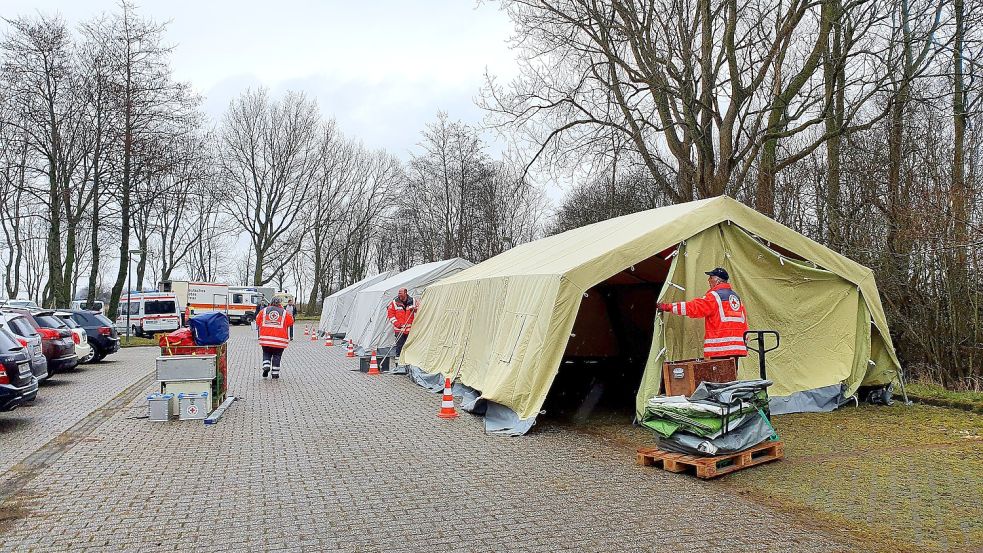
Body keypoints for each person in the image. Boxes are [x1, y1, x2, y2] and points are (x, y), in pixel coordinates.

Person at [658, 267, 749, 361]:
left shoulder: (714, 296)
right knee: (732, 373)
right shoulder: (736, 297)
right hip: (736, 347)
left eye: (711, 277)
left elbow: (694, 308)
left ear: (717, 280)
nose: (708, 280)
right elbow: (744, 320)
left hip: (721, 348)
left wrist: (667, 307)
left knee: (719, 375)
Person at [255, 297, 294, 379]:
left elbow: (258, 321)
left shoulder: (264, 311)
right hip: (279, 340)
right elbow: (291, 322)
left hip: (266, 339)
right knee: (277, 355)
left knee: (266, 353)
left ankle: (266, 365)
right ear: (280, 303)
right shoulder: (284, 312)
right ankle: (275, 374)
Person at [386, 287, 417, 357]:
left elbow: (420, 310)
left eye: (400, 293)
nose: (399, 294)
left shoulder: (413, 301)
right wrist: (397, 324)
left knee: (410, 347)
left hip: (410, 330)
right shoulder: (394, 302)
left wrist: (415, 309)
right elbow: (390, 315)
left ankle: (408, 363)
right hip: (399, 330)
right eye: (398, 293)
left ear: (405, 293)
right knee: (399, 347)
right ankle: (398, 364)